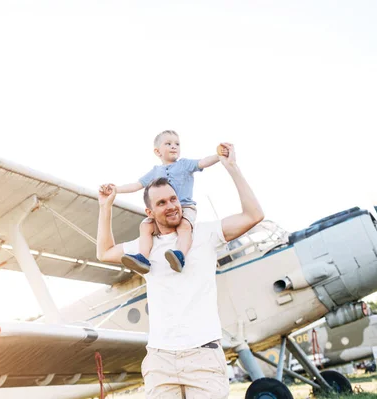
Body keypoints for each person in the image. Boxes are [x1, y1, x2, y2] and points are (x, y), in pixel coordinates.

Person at [96, 143, 263, 398]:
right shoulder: (144, 246)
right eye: (162, 203)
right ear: (150, 213)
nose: (172, 206)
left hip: (203, 356)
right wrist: (105, 206)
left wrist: (232, 168)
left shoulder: (205, 234)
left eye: (174, 199)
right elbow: (104, 252)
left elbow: (254, 215)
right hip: (160, 359)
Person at [100, 130, 225, 274]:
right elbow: (136, 185)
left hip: (184, 207)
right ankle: (143, 258)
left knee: (184, 227)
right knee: (145, 226)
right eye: (168, 143)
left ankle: (180, 255)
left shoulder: (184, 164)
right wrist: (115, 190)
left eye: (177, 144)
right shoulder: (155, 171)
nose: (174, 146)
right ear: (158, 152)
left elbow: (202, 162)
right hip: (163, 213)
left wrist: (218, 155)